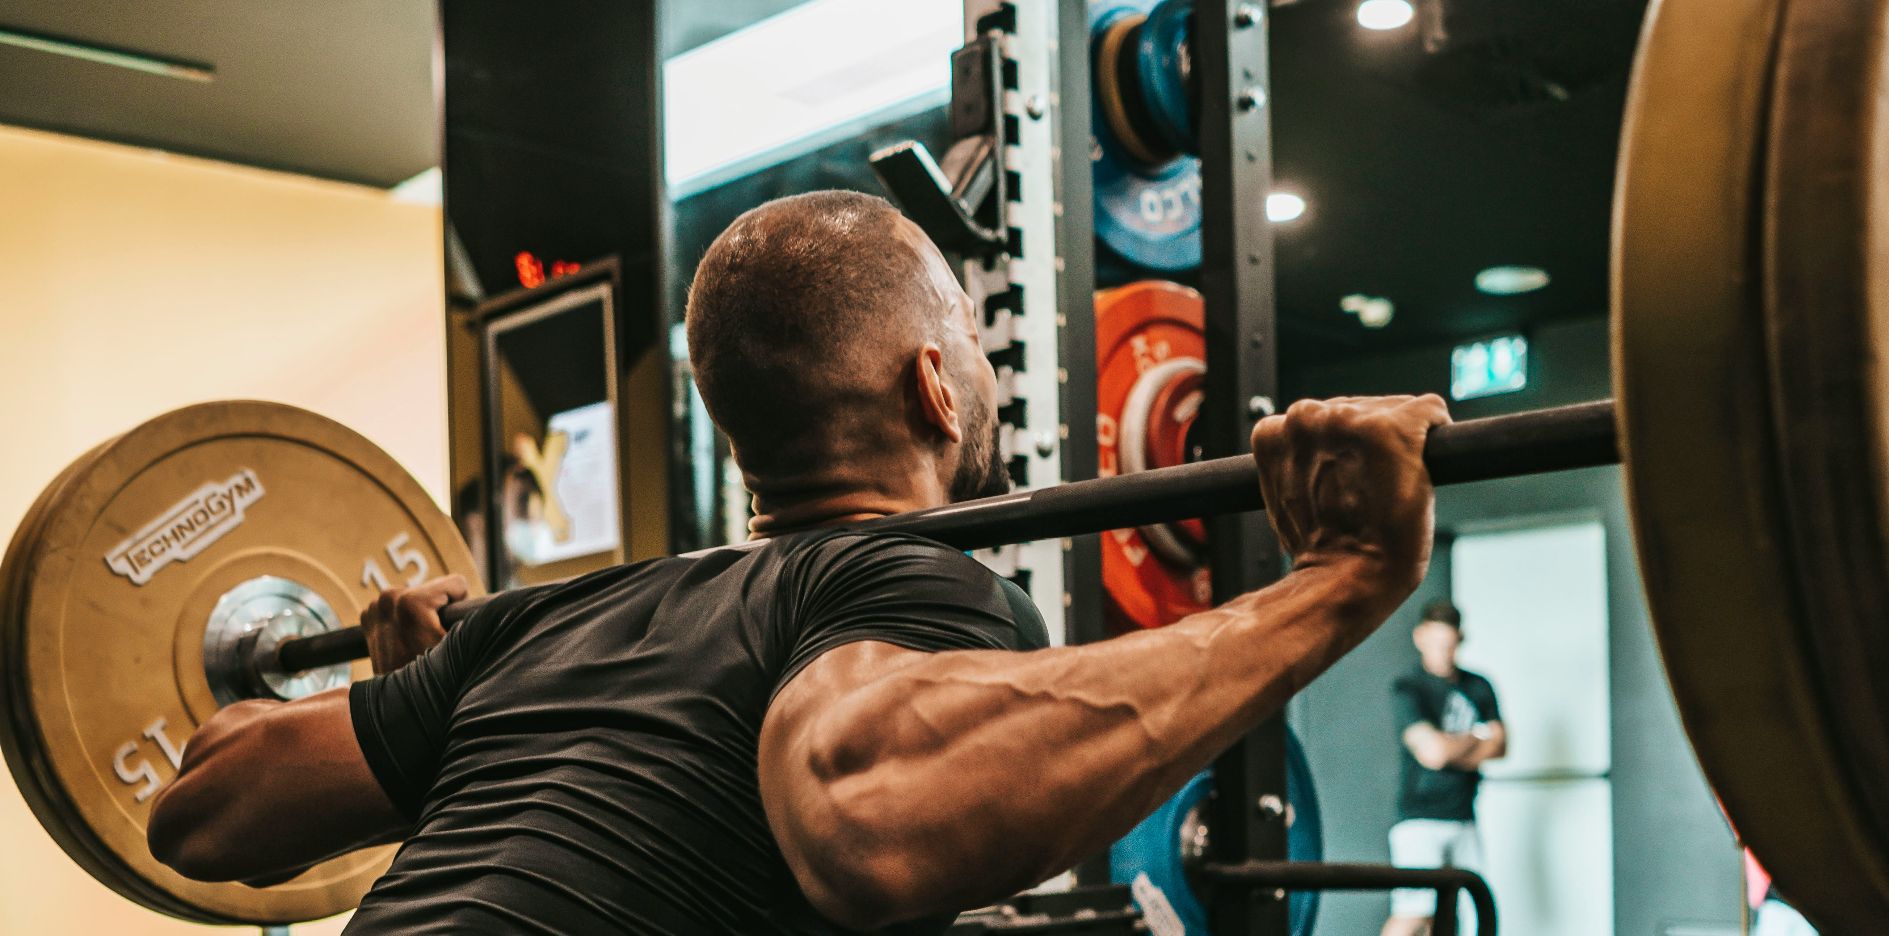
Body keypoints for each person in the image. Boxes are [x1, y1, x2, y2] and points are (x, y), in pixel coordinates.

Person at [144, 189, 1452, 934]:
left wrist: (436, 723)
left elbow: (202, 808)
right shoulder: (910, 578)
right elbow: (867, 817)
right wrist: (1336, 581)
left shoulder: (540, 626)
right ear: (937, 391)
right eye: (979, 354)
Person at [1382, 600, 1506, 936]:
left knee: (1467, 914)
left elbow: (1501, 745)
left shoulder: (1478, 687)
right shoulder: (1409, 689)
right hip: (1420, 820)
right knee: (1415, 914)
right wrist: (1477, 737)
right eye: (1436, 643)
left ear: (1460, 639)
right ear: (1420, 637)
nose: (1442, 652)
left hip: (1464, 818)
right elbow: (1433, 754)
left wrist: (1452, 748)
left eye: (1449, 644)